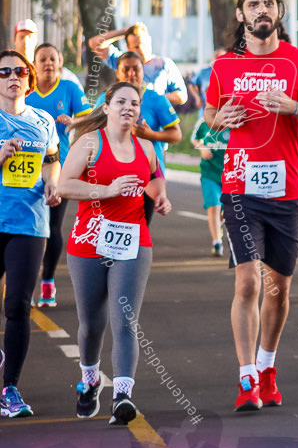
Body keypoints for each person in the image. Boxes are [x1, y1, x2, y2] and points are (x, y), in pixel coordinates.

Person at [205, 0, 298, 412]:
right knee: (246, 283)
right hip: (239, 186)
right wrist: (219, 117)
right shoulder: (224, 66)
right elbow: (209, 113)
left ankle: (266, 367)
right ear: (240, 14)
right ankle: (245, 379)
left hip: (287, 189)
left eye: (268, 3)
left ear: (279, 11)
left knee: (277, 288)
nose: (261, 10)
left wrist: (295, 108)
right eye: (252, 4)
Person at [58, 81, 172, 424]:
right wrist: (106, 189)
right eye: (120, 101)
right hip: (89, 241)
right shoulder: (89, 143)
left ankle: (122, 396)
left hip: (133, 241)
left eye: (134, 103)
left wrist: (160, 196)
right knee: (91, 324)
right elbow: (64, 185)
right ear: (106, 107)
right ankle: (90, 382)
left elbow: (153, 178)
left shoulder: (146, 147)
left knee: (125, 321)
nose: (128, 108)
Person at [0, 50, 60, 418]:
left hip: (29, 224)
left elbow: (52, 159)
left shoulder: (43, 121)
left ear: (29, 79)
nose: (13, 76)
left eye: (20, 71)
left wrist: (53, 185)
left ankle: (10, 389)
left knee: (18, 305)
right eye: (4, 71)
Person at [26, 43, 92, 308]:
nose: (48, 63)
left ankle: (48, 281)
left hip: (59, 168)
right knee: (30, 228)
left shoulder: (70, 89)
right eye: (42, 59)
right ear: (35, 64)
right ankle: (27, 282)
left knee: (52, 227)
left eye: (53, 59)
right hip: (27, 172)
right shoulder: (26, 93)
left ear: (61, 62)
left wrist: (75, 122)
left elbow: (91, 120)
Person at [93, 51, 181, 226]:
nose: (131, 73)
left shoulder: (157, 99)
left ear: (143, 71)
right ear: (117, 72)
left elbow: (176, 134)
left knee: (139, 228)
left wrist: (150, 135)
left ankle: (138, 253)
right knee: (109, 225)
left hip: (148, 173)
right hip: (112, 170)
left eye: (136, 69)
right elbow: (93, 129)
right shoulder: (106, 98)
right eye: (126, 69)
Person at [89, 22, 188, 106]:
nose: (141, 50)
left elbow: (182, 96)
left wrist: (155, 98)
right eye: (136, 47)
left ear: (149, 40)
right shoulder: (123, 62)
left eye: (143, 44)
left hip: (155, 123)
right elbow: (94, 43)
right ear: (128, 47)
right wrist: (124, 32)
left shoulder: (164, 64)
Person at [191, 116, 229, 257]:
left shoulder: (233, 120)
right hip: (209, 172)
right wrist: (202, 147)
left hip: (229, 173)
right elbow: (194, 138)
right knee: (214, 205)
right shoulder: (204, 121)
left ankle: (219, 224)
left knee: (225, 211)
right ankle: (217, 242)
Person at [15, 20, 84, 90]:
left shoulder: (67, 78)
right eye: (22, 37)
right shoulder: (9, 69)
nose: (26, 41)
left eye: (29, 36)